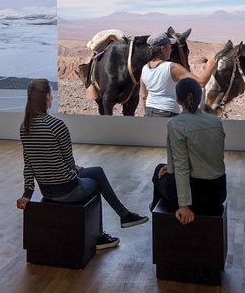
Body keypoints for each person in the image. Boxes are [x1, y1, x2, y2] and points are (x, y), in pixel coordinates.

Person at [15, 79, 148, 249]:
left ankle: (125, 216)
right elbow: (68, 161)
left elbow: (29, 163)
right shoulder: (56, 125)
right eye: (51, 95)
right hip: (68, 189)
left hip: (47, 190)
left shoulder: (24, 127)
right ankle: (103, 234)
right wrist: (74, 169)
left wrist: (27, 193)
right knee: (96, 181)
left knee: (96, 171)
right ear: (47, 97)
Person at [152, 77, 226, 225]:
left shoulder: (175, 124)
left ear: (178, 99)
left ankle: (159, 217)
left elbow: (181, 166)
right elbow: (209, 156)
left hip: (196, 195)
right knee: (165, 170)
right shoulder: (215, 121)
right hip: (218, 192)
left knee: (158, 172)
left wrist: (184, 206)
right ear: (199, 98)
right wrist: (171, 168)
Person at [139, 32, 218, 118]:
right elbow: (201, 82)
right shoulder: (172, 67)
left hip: (149, 112)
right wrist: (209, 67)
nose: (171, 49)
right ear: (163, 49)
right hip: (167, 113)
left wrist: (147, 113)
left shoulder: (144, 68)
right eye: (169, 45)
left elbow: (144, 96)